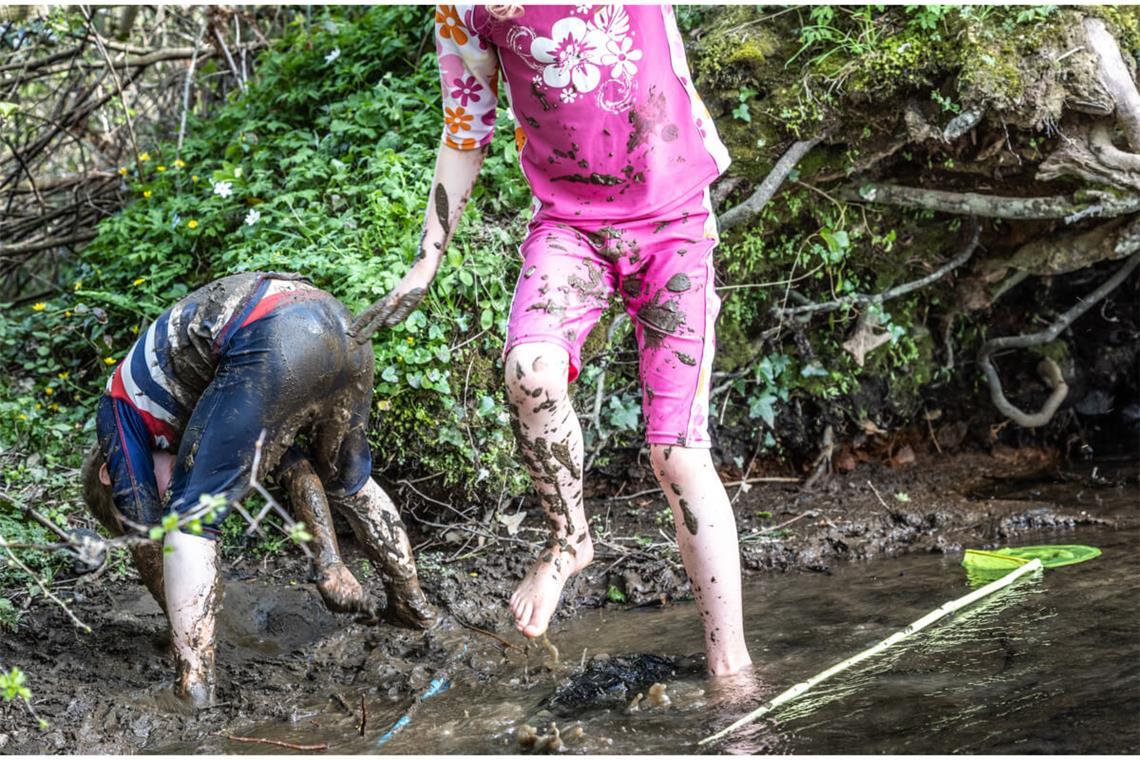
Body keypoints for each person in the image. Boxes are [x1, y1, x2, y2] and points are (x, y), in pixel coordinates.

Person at [368, 4, 751, 676]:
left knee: (677, 456)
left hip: (676, 222)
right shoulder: (465, 11)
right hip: (571, 229)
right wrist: (428, 257)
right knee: (530, 371)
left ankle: (731, 667)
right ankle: (570, 540)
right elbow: (466, 131)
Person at [83, 271, 436, 706]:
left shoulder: (119, 411)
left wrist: (179, 625)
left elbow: (145, 534)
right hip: (339, 326)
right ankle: (413, 606)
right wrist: (329, 562)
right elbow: (295, 467)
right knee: (350, 481)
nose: (159, 494)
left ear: (109, 473)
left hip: (270, 331)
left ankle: (194, 687)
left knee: (188, 519)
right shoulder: (198, 402)